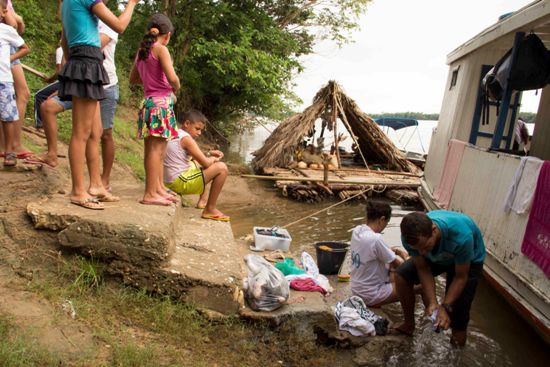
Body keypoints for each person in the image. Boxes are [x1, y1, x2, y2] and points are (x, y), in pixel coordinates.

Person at [59, 0, 137, 209]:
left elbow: (64, 39)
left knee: (96, 131)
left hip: (85, 60)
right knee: (81, 133)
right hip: (86, 60)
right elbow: (119, 26)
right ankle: (78, 191)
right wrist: (132, 4)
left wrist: (73, 63)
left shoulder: (65, 3)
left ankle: (96, 185)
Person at [393, 210, 485, 347]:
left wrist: (445, 307)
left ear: (434, 230)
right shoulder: (409, 238)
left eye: (425, 247)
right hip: (439, 255)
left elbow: (461, 277)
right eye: (417, 249)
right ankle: (409, 324)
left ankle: (456, 353)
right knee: (401, 275)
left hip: (468, 261)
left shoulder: (461, 237)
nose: (422, 253)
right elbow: (423, 268)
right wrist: (432, 302)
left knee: (459, 314)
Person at [129, 13, 180, 206]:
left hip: (149, 102)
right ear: (166, 36)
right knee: (156, 151)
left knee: (155, 149)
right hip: (160, 105)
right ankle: (150, 193)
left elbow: (133, 79)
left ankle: (157, 188)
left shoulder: (142, 50)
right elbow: (172, 78)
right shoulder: (161, 49)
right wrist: (176, 85)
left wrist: (151, 79)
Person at [164, 109, 230, 221]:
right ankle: (210, 209)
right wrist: (214, 158)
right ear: (187, 123)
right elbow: (205, 162)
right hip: (178, 182)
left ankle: (202, 201)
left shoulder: (176, 133)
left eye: (201, 130)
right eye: (197, 129)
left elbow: (194, 155)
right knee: (222, 168)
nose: (199, 133)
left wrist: (209, 154)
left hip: (167, 181)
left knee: (194, 162)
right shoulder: (187, 139)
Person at [350, 201, 409, 306]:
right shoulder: (376, 238)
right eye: (386, 223)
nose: (385, 226)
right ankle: (414, 319)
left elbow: (370, 250)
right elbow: (400, 266)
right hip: (369, 294)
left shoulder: (357, 231)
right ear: (382, 220)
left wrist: (389, 251)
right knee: (419, 285)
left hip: (356, 288)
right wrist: (404, 255)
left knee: (392, 270)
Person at [0, 0, 29, 166]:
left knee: (8, 116)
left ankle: (10, 150)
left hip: (3, 80)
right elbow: (16, 23)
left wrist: (9, 58)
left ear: (3, 12)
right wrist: (18, 18)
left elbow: (24, 47)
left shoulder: (5, 30)